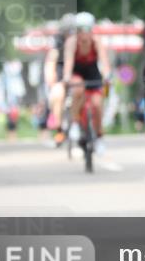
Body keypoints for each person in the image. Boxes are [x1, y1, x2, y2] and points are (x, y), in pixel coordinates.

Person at [61, 12, 112, 154]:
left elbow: (104, 60)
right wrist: (66, 77)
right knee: (78, 89)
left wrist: (107, 75)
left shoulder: (97, 41)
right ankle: (75, 123)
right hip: (77, 72)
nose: (84, 35)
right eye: (80, 30)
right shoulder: (71, 42)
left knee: (97, 104)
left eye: (87, 30)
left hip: (92, 72)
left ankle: (99, 136)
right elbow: (69, 62)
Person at [46, 14, 75, 145]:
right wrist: (50, 76)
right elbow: (52, 58)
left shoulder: (82, 39)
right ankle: (59, 129)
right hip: (61, 70)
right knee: (57, 95)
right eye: (67, 31)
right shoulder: (57, 41)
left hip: (78, 69)